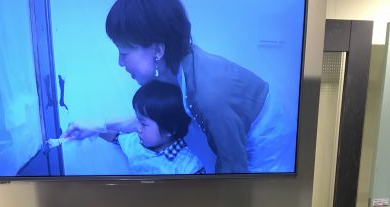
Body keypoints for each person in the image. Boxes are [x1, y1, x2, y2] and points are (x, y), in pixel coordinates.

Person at [100, 0, 295, 174]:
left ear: (158, 50)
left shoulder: (209, 95)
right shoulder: (173, 68)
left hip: (269, 135)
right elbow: (149, 118)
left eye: (124, 53)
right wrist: (100, 125)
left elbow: (233, 169)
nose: (120, 63)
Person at [66, 80, 205, 175]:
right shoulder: (137, 142)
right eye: (137, 120)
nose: (137, 127)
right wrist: (91, 130)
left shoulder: (189, 167)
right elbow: (116, 138)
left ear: (169, 129)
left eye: (143, 123)